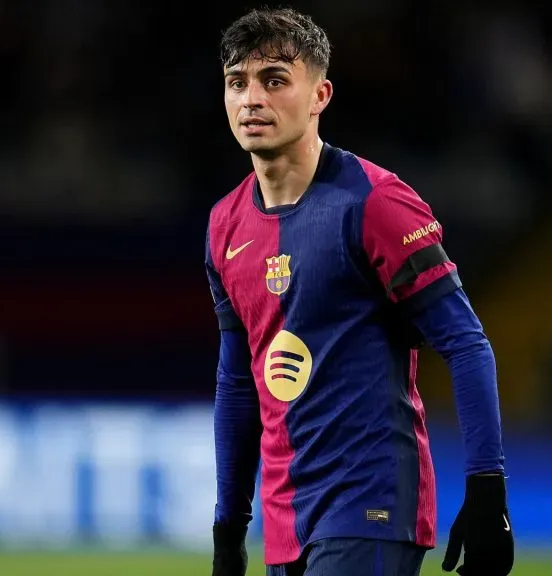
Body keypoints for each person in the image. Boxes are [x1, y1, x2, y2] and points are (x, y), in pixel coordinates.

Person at [206, 8, 514, 576]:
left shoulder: (376, 204)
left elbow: (467, 344)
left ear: (320, 94)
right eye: (236, 82)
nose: (252, 99)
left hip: (370, 500)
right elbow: (237, 381)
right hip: (284, 516)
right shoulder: (224, 225)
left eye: (274, 80)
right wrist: (229, 526)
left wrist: (487, 492)